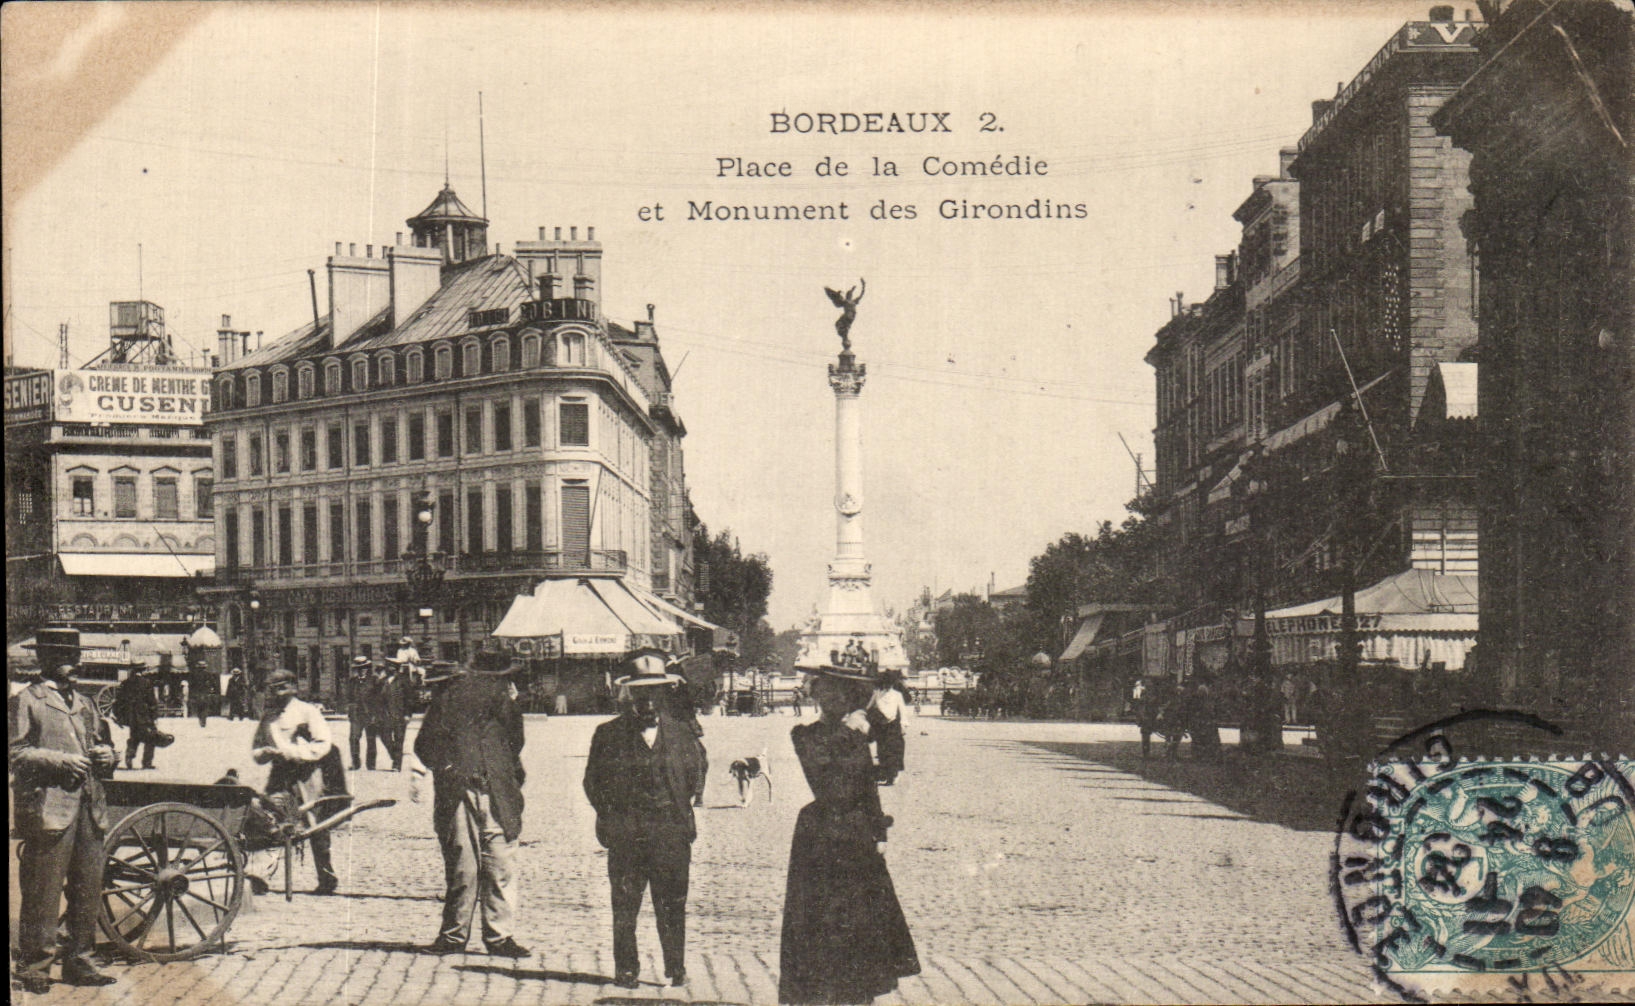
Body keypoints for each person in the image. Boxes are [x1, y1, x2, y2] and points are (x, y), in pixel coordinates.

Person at [780, 663, 920, 1005]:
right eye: (824, 692)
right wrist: (852, 732)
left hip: (857, 833)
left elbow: (869, 784)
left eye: (838, 693)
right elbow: (825, 780)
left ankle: (857, 994)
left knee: (861, 917)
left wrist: (878, 829)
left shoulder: (857, 733)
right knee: (820, 915)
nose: (830, 699)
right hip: (822, 832)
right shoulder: (805, 734)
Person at [583, 648, 705, 989]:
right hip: (627, 834)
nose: (647, 700)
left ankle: (675, 967)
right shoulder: (608, 735)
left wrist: (679, 809)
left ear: (664, 693)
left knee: (672, 904)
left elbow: (695, 774)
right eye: (640, 692)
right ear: (629, 693)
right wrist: (612, 817)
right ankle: (626, 969)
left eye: (654, 692)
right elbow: (593, 782)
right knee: (625, 905)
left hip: (671, 832)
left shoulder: (681, 733)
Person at [9, 629, 121, 994]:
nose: (73, 664)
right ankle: (35, 965)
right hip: (50, 808)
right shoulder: (26, 700)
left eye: (74, 657)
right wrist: (59, 761)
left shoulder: (86, 703)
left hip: (90, 807)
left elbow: (103, 744)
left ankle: (80, 960)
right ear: (46, 661)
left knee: (87, 887)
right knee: (43, 889)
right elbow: (16, 752)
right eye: (64, 658)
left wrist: (109, 755)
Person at [412, 655, 530, 958]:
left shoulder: (506, 705)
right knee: (464, 864)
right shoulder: (448, 702)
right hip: (458, 793)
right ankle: (454, 935)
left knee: (500, 863)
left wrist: (500, 769)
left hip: (498, 793)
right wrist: (451, 768)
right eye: (505, 678)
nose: (509, 685)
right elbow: (425, 745)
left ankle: (499, 936)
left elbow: (515, 743)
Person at [251, 669, 344, 895]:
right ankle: (261, 874)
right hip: (280, 776)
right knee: (272, 821)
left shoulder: (307, 712)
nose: (276, 694)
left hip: (306, 777)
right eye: (273, 690)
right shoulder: (269, 716)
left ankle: (327, 877)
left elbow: (323, 744)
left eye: (280, 689)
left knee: (315, 827)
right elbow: (256, 748)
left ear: (291, 689)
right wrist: (265, 752)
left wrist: (294, 752)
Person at [112, 664, 161, 770]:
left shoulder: (126, 683)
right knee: (151, 738)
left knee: (134, 737)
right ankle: (146, 763)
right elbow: (151, 701)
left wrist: (120, 716)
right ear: (143, 670)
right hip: (144, 716)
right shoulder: (146, 682)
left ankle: (129, 757)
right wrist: (155, 716)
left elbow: (119, 701)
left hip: (131, 717)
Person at [868, 671, 908, 785]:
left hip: (893, 725)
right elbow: (869, 707)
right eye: (885, 683)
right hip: (880, 726)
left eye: (889, 684)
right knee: (882, 750)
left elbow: (903, 711)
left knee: (893, 750)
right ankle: (885, 773)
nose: (887, 686)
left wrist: (903, 725)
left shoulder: (897, 695)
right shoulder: (877, 694)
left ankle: (892, 775)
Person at [343, 655, 375, 771]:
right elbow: (348, 697)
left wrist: (375, 713)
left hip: (369, 714)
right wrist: (350, 710)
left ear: (368, 668)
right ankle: (355, 762)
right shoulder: (352, 681)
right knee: (353, 738)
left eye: (364, 667)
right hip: (356, 714)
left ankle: (371, 764)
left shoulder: (373, 680)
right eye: (359, 668)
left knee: (370, 739)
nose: (362, 670)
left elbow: (377, 698)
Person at [383, 661, 414, 770]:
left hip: (400, 715)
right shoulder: (383, 681)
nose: (390, 669)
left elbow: (409, 699)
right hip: (386, 715)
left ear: (396, 669)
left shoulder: (403, 681)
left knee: (399, 739)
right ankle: (396, 755)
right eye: (389, 667)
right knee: (385, 738)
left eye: (393, 667)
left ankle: (396, 764)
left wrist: (408, 714)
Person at [187, 651, 219, 728]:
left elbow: (191, 685)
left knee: (199, 708)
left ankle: (201, 719)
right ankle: (203, 720)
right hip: (205, 693)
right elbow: (213, 684)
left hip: (198, 694)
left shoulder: (194, 675)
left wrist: (191, 694)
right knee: (205, 707)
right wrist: (213, 690)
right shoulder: (208, 675)